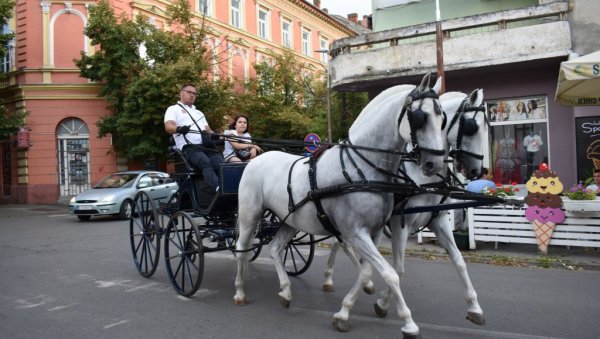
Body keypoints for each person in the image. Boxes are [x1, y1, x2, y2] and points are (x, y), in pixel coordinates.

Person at [164, 83, 223, 191]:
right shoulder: (173, 109)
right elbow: (168, 126)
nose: (192, 95)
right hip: (189, 147)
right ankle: (218, 188)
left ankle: (229, 188)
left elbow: (208, 130)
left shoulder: (199, 113)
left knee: (221, 163)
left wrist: (216, 135)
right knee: (205, 162)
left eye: (194, 93)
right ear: (181, 93)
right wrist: (179, 129)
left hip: (206, 147)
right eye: (189, 92)